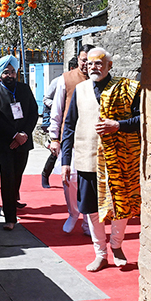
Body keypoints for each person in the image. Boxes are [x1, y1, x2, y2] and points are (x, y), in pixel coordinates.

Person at [61, 47, 141, 272]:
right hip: (88, 159)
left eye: (99, 63)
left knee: (120, 206)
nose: (93, 67)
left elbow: (143, 119)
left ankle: (116, 245)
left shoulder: (127, 89)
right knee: (92, 209)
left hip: (119, 159)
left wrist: (118, 125)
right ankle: (100, 253)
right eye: (90, 63)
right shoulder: (80, 90)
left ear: (109, 66)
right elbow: (69, 126)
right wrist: (66, 161)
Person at [0, 54, 38, 231]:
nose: (10, 75)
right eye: (6, 72)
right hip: (4, 143)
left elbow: (33, 112)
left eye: (13, 72)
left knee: (16, 176)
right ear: (0, 74)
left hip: (23, 141)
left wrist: (23, 134)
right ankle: (10, 217)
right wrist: (14, 135)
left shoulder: (24, 89)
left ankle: (11, 204)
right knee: (7, 177)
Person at [49, 46, 93, 234]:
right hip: (71, 138)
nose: (86, 65)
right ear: (78, 59)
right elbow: (57, 110)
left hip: (93, 139)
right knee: (70, 179)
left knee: (91, 182)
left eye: (90, 61)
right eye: (84, 60)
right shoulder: (65, 79)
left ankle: (88, 220)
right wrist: (53, 137)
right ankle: (73, 213)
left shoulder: (99, 80)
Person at [39, 57, 78, 189]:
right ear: (73, 68)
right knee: (57, 151)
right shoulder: (59, 81)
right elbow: (46, 99)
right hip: (62, 120)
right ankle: (45, 174)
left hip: (77, 121)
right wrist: (59, 106)